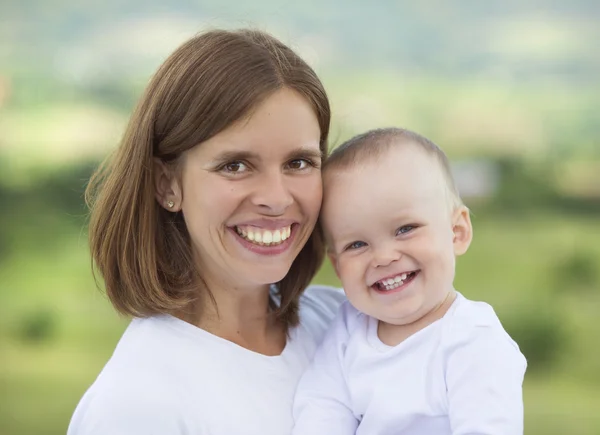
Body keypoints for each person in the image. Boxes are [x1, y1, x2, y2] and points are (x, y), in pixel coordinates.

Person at [67, 29, 346, 435]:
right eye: (235, 165)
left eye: (299, 163)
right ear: (167, 185)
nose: (276, 198)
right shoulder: (135, 406)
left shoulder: (346, 325)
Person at [293, 127, 527, 435]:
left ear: (457, 232)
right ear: (337, 266)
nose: (383, 257)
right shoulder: (349, 328)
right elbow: (321, 407)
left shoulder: (473, 339)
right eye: (357, 245)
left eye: (405, 229)